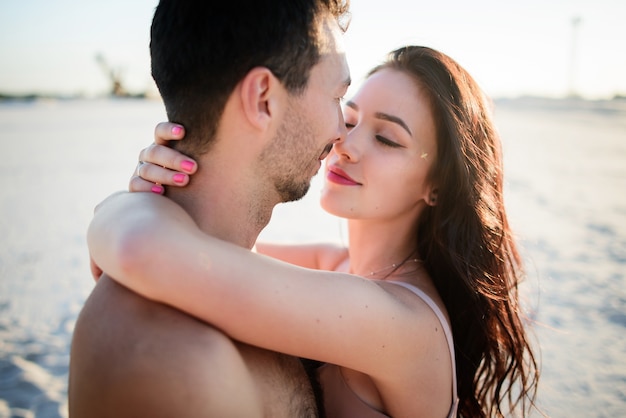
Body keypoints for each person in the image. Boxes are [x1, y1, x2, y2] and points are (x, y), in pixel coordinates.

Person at [89, 46, 540, 417]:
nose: (346, 145)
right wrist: (158, 187)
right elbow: (193, 251)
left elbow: (140, 253)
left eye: (386, 139)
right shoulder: (337, 264)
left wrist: (119, 208)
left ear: (437, 188)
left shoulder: (401, 322)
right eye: (349, 118)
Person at [69, 0, 351, 417]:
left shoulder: (242, 274)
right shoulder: (174, 364)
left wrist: (116, 213)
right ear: (263, 100)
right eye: (336, 97)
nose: (341, 130)